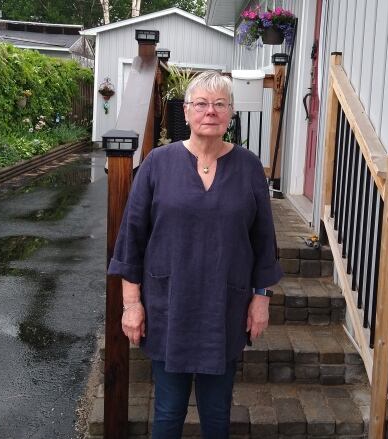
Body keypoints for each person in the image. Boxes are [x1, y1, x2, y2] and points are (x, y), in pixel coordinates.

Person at [107, 70, 283, 438]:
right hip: (169, 307)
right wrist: (132, 304)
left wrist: (261, 299)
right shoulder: (158, 163)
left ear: (231, 114)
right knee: (168, 412)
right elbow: (131, 239)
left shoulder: (249, 167)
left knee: (217, 415)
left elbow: (263, 241)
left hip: (225, 308)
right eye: (201, 104)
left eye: (220, 104)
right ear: (186, 112)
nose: (210, 111)